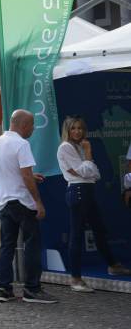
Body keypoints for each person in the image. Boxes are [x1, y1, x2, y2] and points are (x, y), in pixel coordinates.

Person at [55, 116, 131, 291]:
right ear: (68, 130)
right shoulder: (66, 147)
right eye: (73, 128)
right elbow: (84, 171)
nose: (78, 131)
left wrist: (85, 164)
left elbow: (95, 174)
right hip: (78, 191)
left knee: (99, 229)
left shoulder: (79, 146)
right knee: (77, 235)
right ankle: (75, 278)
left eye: (80, 128)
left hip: (87, 191)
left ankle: (113, 265)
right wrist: (88, 154)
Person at [0, 109, 55, 304]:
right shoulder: (22, 144)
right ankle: (32, 288)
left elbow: (5, 171)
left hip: (4, 202)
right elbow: (26, 175)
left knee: (7, 246)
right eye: (32, 125)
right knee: (32, 244)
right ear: (23, 125)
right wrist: (38, 202)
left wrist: (28, 176)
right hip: (22, 202)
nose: (33, 129)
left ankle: (3, 288)